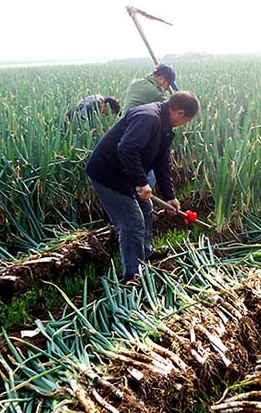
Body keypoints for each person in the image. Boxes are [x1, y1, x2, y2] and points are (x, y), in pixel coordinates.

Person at [85, 91, 200, 282]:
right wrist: (141, 182)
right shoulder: (148, 117)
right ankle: (132, 275)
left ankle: (144, 253)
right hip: (107, 173)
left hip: (124, 173)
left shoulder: (165, 127)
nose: (185, 123)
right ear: (179, 113)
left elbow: (162, 161)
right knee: (131, 222)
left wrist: (170, 196)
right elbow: (126, 148)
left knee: (146, 207)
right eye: (186, 119)